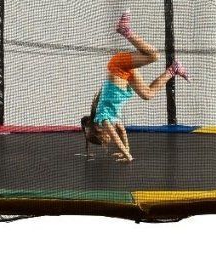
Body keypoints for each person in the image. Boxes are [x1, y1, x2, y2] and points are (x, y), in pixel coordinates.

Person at [81, 10, 189, 162]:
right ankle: (173, 69)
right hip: (124, 75)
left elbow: (116, 138)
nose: (109, 140)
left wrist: (128, 156)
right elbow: (122, 132)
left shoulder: (103, 118)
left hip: (118, 66)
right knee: (147, 94)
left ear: (100, 132)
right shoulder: (112, 118)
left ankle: (125, 30)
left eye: (105, 140)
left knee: (154, 55)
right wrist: (126, 151)